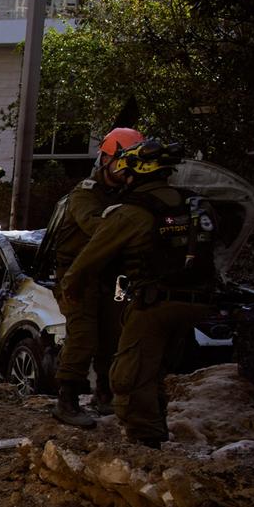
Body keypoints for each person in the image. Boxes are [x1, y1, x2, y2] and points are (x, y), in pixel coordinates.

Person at [61, 138, 216, 448]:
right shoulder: (192, 203)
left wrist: (69, 286)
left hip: (154, 303)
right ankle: (153, 425)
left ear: (137, 173)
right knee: (153, 369)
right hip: (197, 303)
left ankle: (146, 442)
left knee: (129, 375)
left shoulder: (133, 211)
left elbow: (90, 255)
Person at [46, 127, 142, 427]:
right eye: (121, 162)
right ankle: (67, 399)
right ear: (106, 159)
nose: (126, 170)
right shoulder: (85, 193)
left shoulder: (127, 194)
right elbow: (98, 229)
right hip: (78, 275)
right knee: (83, 335)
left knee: (112, 335)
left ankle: (105, 394)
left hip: (111, 276)